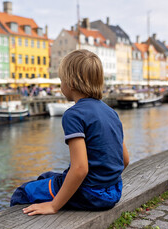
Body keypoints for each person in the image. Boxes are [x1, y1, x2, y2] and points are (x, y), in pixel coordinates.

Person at [10, 49, 130, 215]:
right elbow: (125, 160)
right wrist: (104, 180)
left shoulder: (74, 114)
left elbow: (80, 168)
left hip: (90, 193)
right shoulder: (111, 112)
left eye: (61, 80)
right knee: (46, 176)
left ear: (71, 82)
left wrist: (53, 206)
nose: (61, 86)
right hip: (114, 191)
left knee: (22, 192)